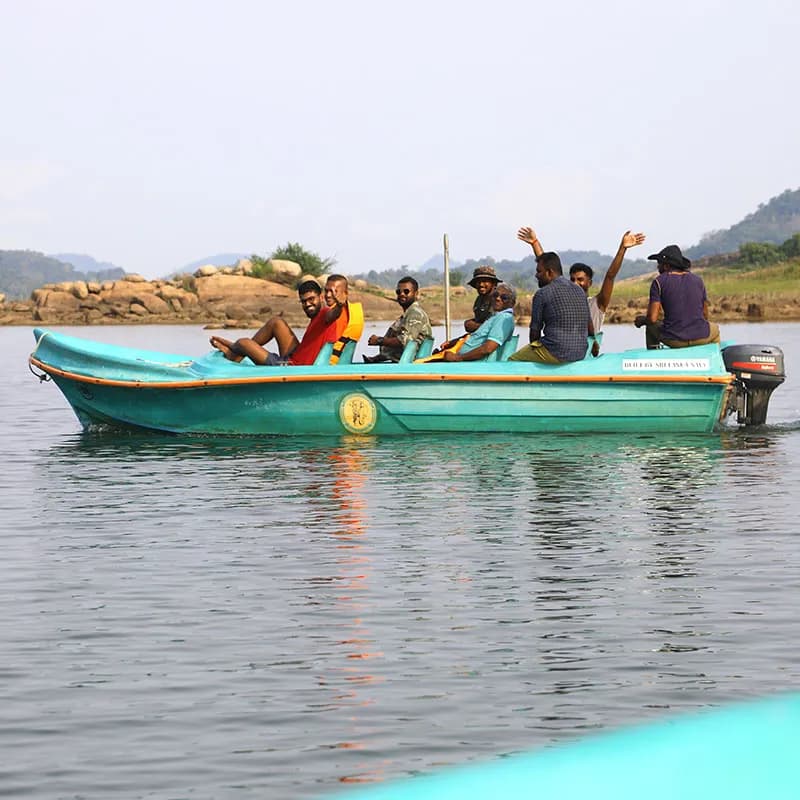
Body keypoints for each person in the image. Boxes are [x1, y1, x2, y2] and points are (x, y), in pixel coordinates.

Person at [518, 226, 646, 355]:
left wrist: (622, 249)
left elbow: (610, 276)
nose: (575, 283)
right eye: (572, 279)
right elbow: (549, 271)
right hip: (562, 353)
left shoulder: (597, 303)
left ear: (589, 283)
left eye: (580, 280)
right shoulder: (562, 298)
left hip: (586, 355)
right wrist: (535, 244)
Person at [209, 275, 354, 365]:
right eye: (304, 301)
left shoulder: (327, 314)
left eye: (311, 299)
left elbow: (333, 314)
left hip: (293, 367)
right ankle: (238, 351)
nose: (308, 304)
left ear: (320, 298)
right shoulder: (318, 314)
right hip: (295, 354)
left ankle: (233, 351)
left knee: (244, 342)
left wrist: (340, 304)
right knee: (276, 322)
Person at [509, 252, 591, 364]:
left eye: (539, 271)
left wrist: (534, 352)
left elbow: (534, 333)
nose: (536, 275)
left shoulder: (542, 294)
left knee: (512, 360)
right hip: (580, 353)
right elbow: (589, 326)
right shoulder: (580, 291)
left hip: (555, 351)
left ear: (549, 273)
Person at [635, 245, 720, 349]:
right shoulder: (698, 280)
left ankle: (654, 356)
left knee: (650, 326)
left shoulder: (658, 282)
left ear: (666, 266)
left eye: (659, 264)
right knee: (715, 330)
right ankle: (716, 359)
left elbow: (652, 318)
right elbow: (705, 315)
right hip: (701, 338)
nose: (658, 267)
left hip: (674, 340)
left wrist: (642, 320)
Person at [436, 282, 517, 362]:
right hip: (466, 361)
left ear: (512, 303)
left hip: (477, 366)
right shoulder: (495, 316)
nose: (498, 299)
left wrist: (458, 358)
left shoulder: (504, 317)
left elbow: (488, 348)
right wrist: (453, 342)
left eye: (504, 297)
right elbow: (477, 335)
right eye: (495, 295)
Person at [365, 276, 432, 363]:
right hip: (402, 362)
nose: (402, 294)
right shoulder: (407, 315)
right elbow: (398, 349)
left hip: (410, 365)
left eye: (406, 291)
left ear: (416, 293)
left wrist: (379, 340)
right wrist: (376, 358)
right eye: (398, 292)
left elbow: (405, 341)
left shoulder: (415, 314)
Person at [464, 265, 500, 333]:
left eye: (484, 281)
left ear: (493, 283)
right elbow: (480, 321)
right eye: (478, 282)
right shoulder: (479, 299)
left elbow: (495, 327)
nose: (481, 285)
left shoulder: (498, 300)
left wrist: (474, 326)